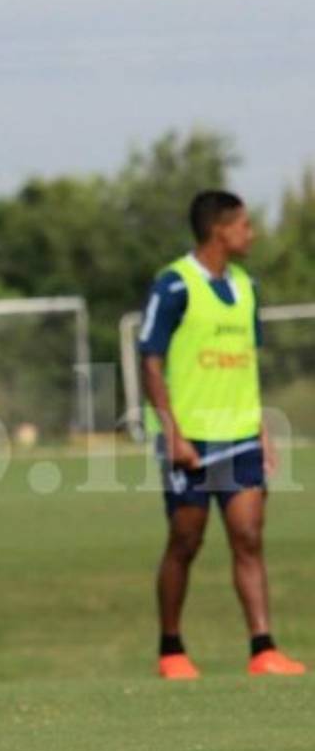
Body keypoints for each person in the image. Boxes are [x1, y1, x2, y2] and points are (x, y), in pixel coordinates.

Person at [138, 190, 304, 680]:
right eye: (245, 225)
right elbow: (150, 360)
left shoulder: (247, 288)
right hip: (192, 440)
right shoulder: (174, 285)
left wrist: (261, 429)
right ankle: (171, 650)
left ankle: (263, 648)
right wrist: (173, 433)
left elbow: (247, 365)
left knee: (248, 537)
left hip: (240, 436)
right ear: (219, 230)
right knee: (186, 541)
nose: (251, 234)